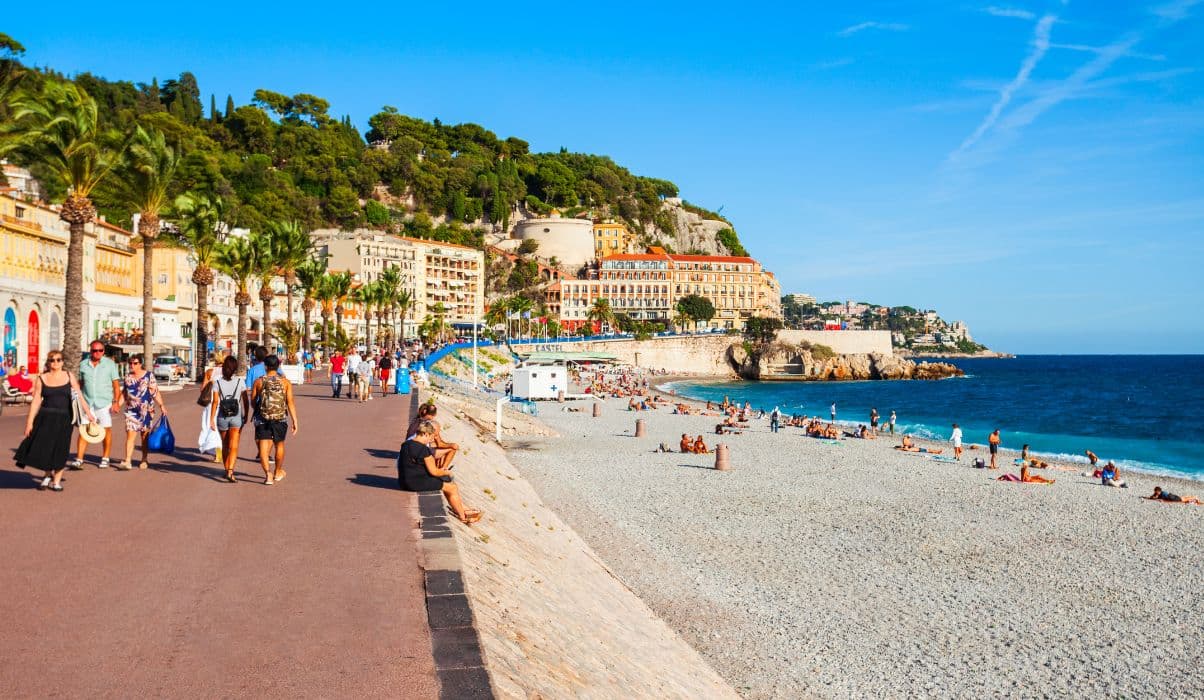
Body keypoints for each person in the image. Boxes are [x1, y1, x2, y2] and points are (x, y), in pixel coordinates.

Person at [15, 351, 95, 491]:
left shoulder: (69, 376)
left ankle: (56, 481)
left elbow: (80, 396)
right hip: (45, 418)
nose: (55, 363)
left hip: (65, 419)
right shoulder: (42, 378)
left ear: (63, 362)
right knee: (45, 448)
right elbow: (35, 401)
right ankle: (47, 475)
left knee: (61, 449)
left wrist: (89, 414)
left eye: (58, 360)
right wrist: (29, 423)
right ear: (48, 362)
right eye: (52, 360)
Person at [398, 421, 482, 524]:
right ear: (425, 434)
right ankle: (463, 517)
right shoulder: (423, 450)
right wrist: (446, 472)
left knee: (445, 484)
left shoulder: (406, 444)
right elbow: (434, 472)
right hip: (415, 483)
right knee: (451, 487)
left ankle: (462, 510)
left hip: (404, 481)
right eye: (431, 437)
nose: (432, 440)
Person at [69, 340, 121, 469]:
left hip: (104, 403)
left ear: (103, 351)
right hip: (87, 403)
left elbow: (116, 386)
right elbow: (80, 384)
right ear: (90, 350)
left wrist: (115, 402)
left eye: (100, 350)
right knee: (83, 430)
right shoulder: (83, 365)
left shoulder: (110, 364)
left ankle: (105, 458)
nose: (97, 353)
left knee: (106, 431)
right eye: (94, 350)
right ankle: (79, 459)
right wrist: (75, 397)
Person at [249, 355, 299, 485]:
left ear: (265, 366)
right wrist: (295, 420)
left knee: (264, 449)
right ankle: (278, 472)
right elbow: (290, 402)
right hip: (280, 418)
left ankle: (268, 475)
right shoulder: (285, 382)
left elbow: (253, 401)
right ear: (278, 366)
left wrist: (260, 409)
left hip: (262, 418)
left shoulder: (259, 382)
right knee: (279, 445)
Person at [119, 354, 168, 470]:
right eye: (130, 363)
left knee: (144, 436)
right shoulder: (128, 377)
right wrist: (117, 405)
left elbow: (155, 391)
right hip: (131, 411)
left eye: (135, 363)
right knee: (130, 435)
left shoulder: (148, 376)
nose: (132, 365)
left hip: (146, 411)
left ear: (140, 364)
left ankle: (144, 459)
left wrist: (161, 405)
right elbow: (125, 393)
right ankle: (127, 461)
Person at [209, 356, 250, 483]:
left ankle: (227, 469)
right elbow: (245, 401)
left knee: (225, 445)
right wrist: (246, 414)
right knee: (234, 446)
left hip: (222, 416)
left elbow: (215, 402)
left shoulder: (217, 383)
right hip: (236, 416)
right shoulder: (240, 382)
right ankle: (230, 471)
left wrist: (211, 419)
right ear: (235, 368)